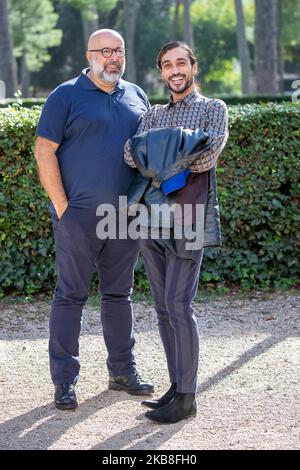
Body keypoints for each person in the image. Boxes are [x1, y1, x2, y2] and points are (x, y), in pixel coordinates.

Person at [34, 29, 154, 411]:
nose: (113, 58)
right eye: (105, 51)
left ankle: (122, 371)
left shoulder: (137, 95)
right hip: (79, 216)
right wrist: (62, 206)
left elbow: (148, 154)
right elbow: (44, 151)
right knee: (70, 295)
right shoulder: (65, 95)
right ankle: (64, 381)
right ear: (90, 56)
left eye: (119, 50)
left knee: (120, 295)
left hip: (126, 216)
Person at [124, 41, 228, 424]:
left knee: (180, 305)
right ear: (161, 71)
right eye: (167, 65)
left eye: (180, 62)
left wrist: (159, 161)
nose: (174, 70)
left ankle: (188, 399)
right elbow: (129, 154)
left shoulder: (213, 109)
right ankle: (175, 387)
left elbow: (209, 153)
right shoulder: (151, 114)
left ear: (193, 67)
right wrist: (178, 156)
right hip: (150, 218)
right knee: (163, 308)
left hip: (189, 217)